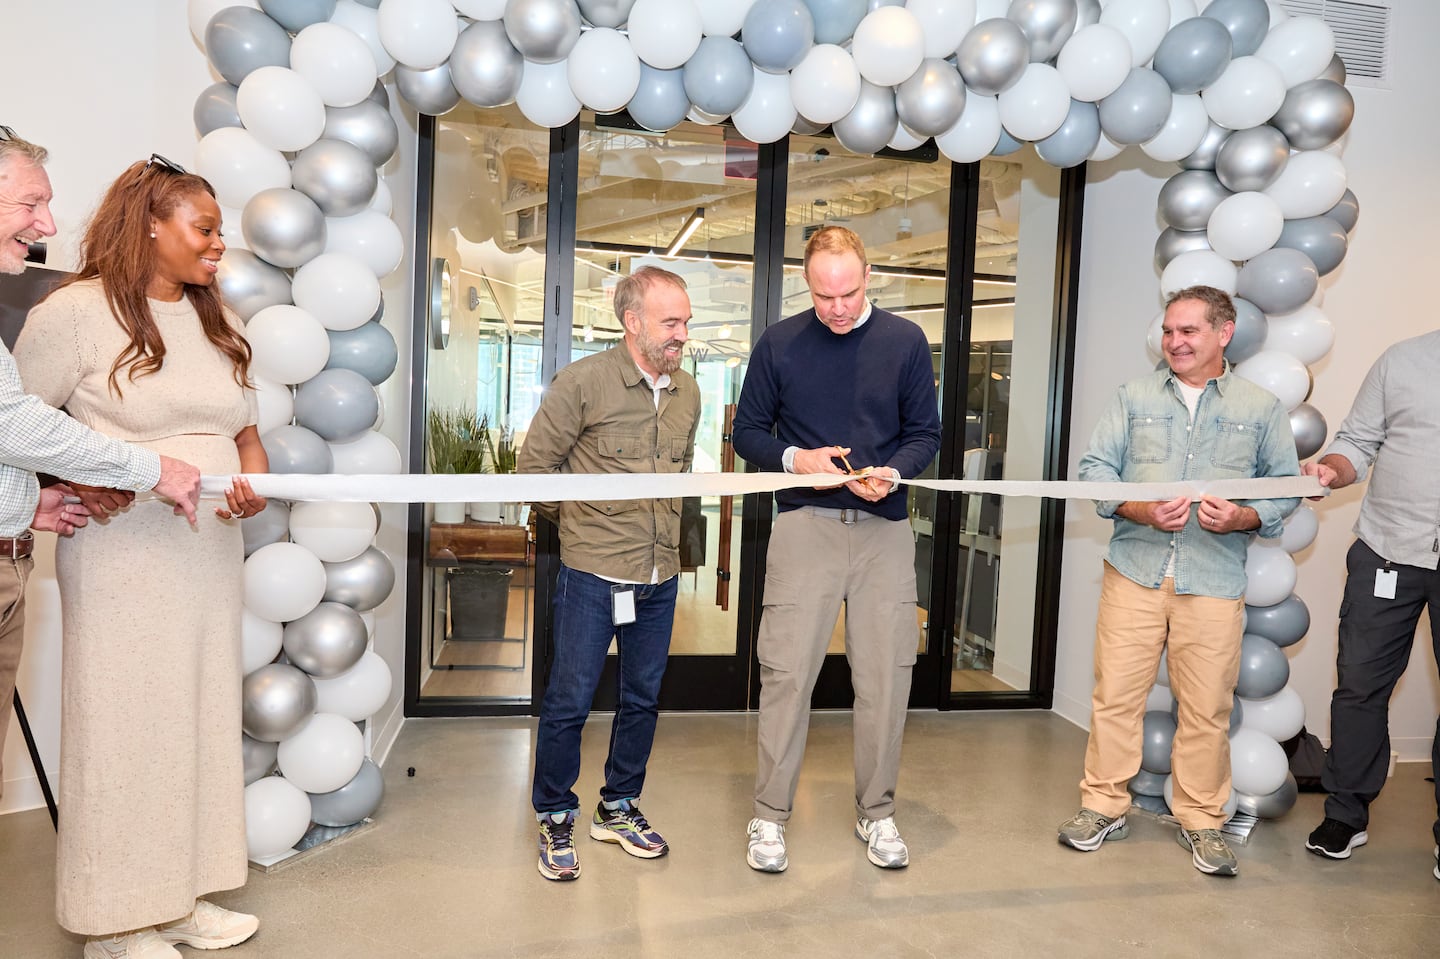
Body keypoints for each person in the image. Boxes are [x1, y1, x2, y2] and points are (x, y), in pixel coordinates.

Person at [14, 154, 267, 958]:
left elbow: (245, 431)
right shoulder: (74, 312)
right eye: (205, 228)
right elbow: (17, 428)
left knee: (195, 721)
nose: (217, 245)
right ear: (150, 224)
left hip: (208, 555)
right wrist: (76, 479)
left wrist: (252, 482)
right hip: (124, 556)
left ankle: (179, 895)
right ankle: (116, 920)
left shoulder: (218, 319)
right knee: (124, 727)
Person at [1059, 285, 1300, 877]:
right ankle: (1102, 806)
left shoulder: (1260, 408)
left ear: (1224, 333)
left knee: (1206, 708)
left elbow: (1286, 486)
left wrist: (1245, 516)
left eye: (1188, 331)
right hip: (1135, 573)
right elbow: (1095, 472)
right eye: (1169, 331)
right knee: (1115, 697)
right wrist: (1141, 509)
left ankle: (1201, 821)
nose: (1175, 342)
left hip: (1214, 579)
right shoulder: (1132, 396)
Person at [0, 130, 201, 808]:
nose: (47, 225)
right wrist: (152, 470)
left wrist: (26, 504)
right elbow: (15, 422)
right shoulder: (74, 312)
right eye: (30, 204)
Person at [732, 225, 940, 873]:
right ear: (808, 284)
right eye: (823, 295)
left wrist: (895, 469)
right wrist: (799, 458)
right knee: (787, 671)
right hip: (805, 523)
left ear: (868, 275)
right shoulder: (780, 343)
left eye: (847, 292)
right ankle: (768, 815)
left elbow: (924, 432)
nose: (838, 307)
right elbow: (746, 432)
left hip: (884, 529)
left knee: (885, 674)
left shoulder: (906, 342)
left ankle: (876, 812)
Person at [518, 265, 700, 882]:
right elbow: (533, 474)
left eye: (685, 322)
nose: (682, 334)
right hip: (593, 575)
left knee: (642, 699)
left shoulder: (690, 392)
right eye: (670, 323)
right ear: (633, 322)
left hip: (660, 576)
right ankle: (554, 812)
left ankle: (618, 806)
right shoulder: (582, 384)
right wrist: (586, 525)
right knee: (568, 701)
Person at [1299, 329, 1440, 881]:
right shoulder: (1402, 360)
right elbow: (1357, 441)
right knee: (1358, 686)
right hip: (1388, 550)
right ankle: (1345, 813)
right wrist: (1333, 469)